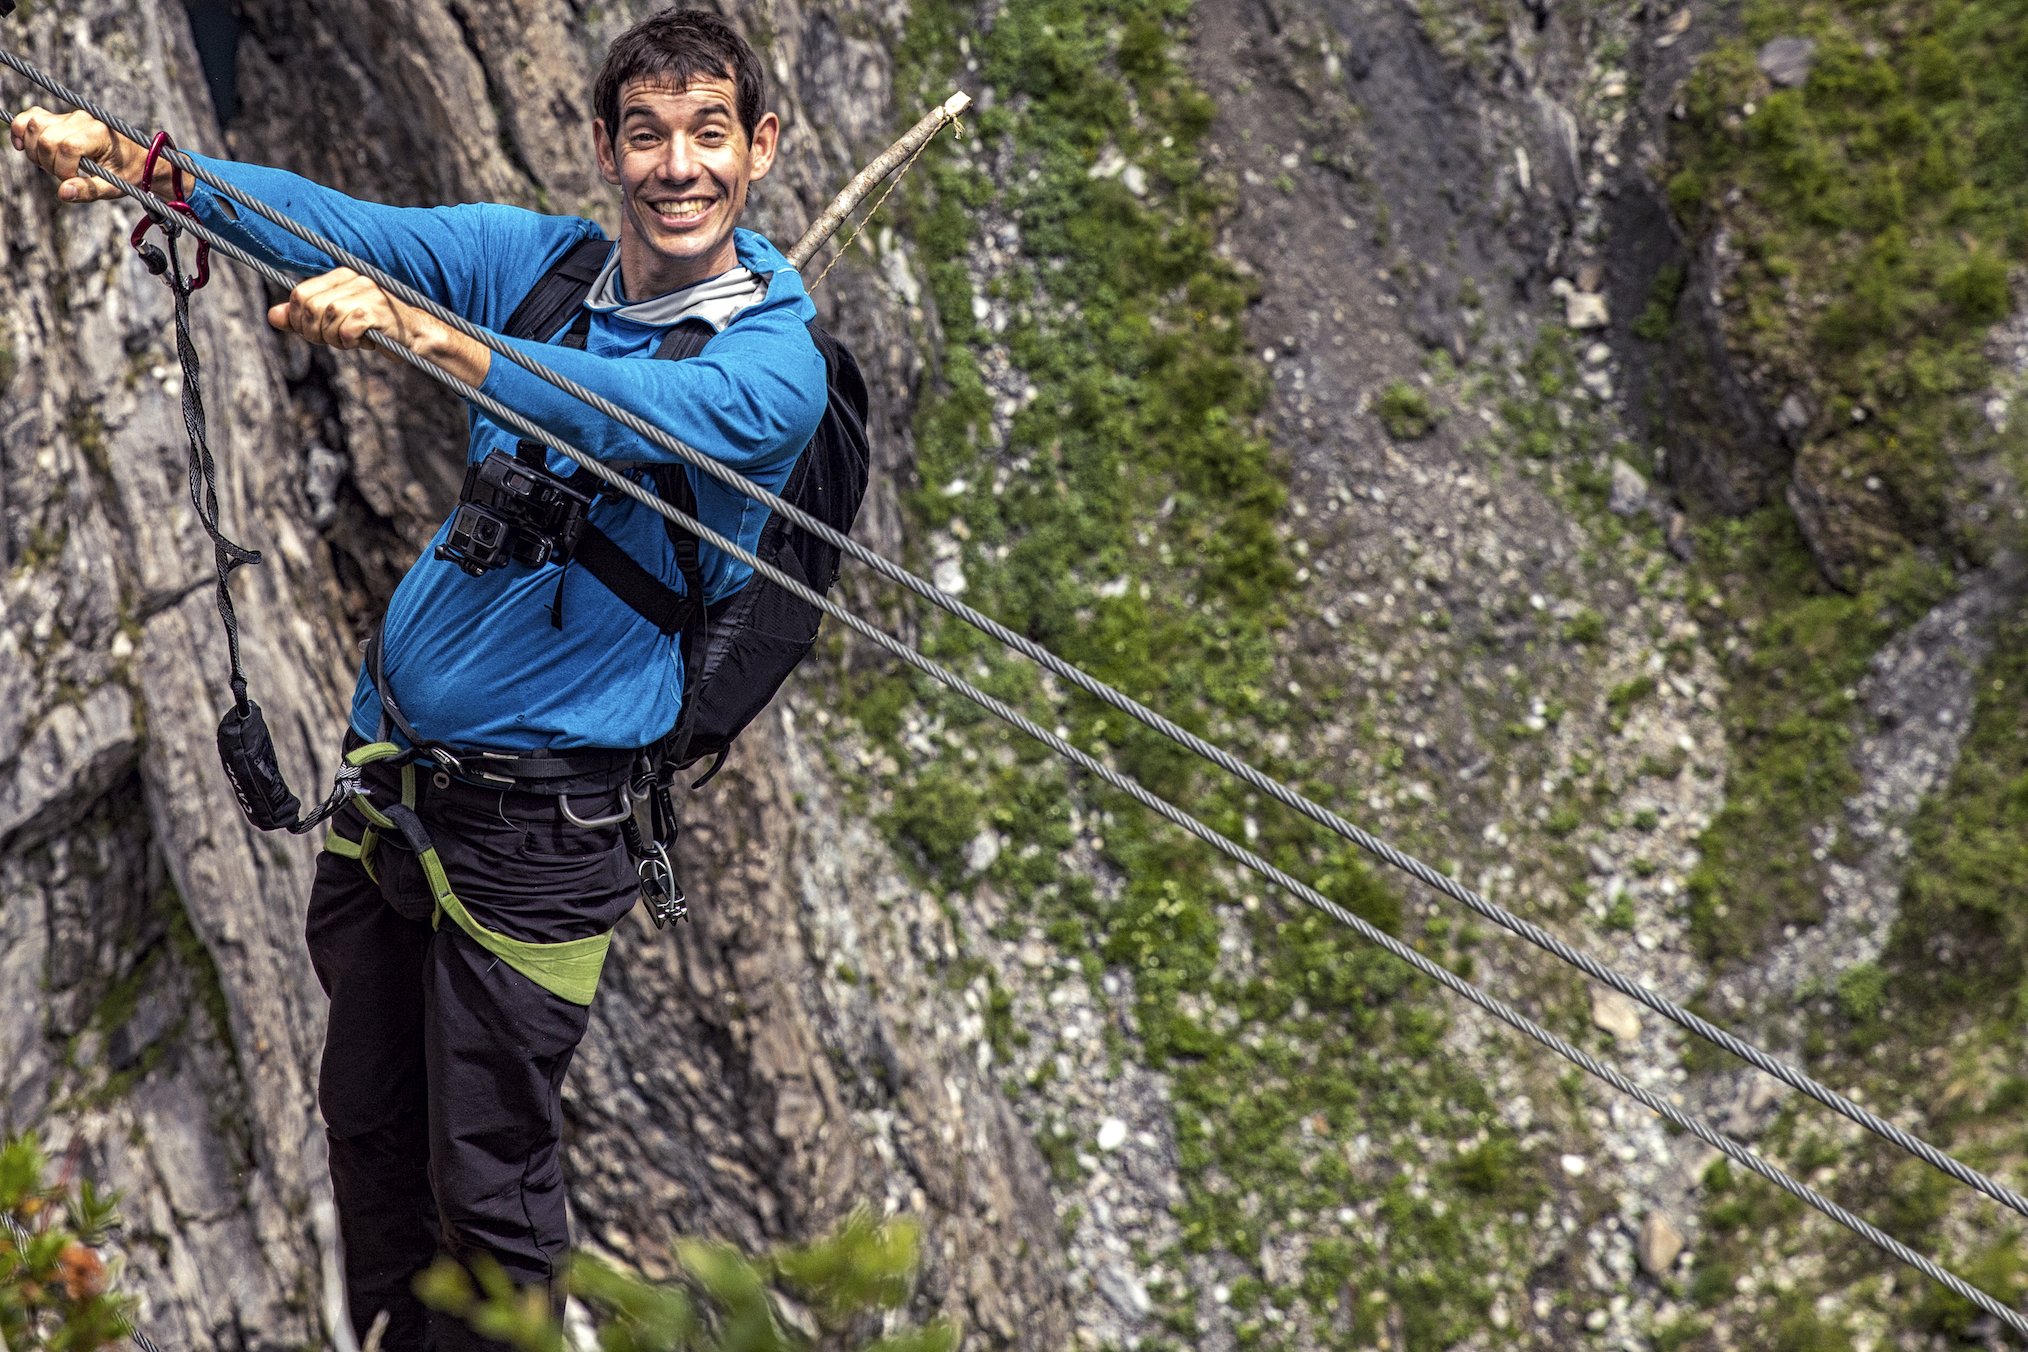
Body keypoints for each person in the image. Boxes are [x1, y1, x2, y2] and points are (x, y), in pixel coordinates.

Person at [11, 10, 827, 1349]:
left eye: (709, 135)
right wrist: (140, 163)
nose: (678, 166)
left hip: (544, 835)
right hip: (401, 786)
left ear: (761, 148)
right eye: (647, 135)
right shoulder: (547, 266)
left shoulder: (770, 373)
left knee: (493, 1188)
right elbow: (346, 227)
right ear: (609, 152)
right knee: (372, 1129)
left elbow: (612, 414)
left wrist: (420, 334)